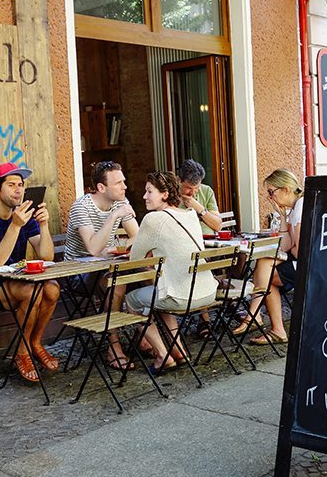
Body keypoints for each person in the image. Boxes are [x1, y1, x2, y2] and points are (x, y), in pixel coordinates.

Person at [0, 162, 59, 382]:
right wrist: (15, 226)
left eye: (21, 185)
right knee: (31, 292)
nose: (18, 190)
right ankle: (22, 352)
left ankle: (35, 342)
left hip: (17, 280)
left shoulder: (23, 214)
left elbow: (46, 257)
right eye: (11, 185)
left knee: (53, 289)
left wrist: (43, 225)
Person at [127, 171, 217, 374]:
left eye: (149, 191)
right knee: (160, 294)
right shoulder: (190, 214)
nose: (144, 196)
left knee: (130, 303)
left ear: (165, 194)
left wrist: (137, 243)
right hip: (206, 291)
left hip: (181, 297)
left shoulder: (153, 219)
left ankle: (162, 355)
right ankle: (179, 351)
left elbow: (134, 259)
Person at [65, 160, 139, 369]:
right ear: (101, 187)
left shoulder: (119, 201)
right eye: (118, 183)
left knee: (147, 273)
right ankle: (113, 346)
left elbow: (139, 238)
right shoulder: (82, 206)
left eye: (123, 181)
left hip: (105, 268)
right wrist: (115, 216)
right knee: (118, 282)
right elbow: (93, 249)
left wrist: (121, 246)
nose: (125, 187)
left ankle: (144, 335)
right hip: (78, 273)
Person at [232, 169, 303, 346]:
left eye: (272, 192)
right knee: (265, 264)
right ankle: (260, 319)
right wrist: (282, 216)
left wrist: (285, 253)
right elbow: (287, 246)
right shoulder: (294, 208)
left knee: (267, 270)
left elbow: (299, 250)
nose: (270, 197)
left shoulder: (301, 206)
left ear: (286, 189)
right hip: (300, 262)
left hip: (310, 266)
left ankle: (255, 316)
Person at [177, 159, 223, 233]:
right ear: (178, 180)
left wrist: (199, 208)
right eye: (189, 188)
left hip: (210, 240)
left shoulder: (206, 191)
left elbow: (218, 226)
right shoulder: (169, 194)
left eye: (197, 188)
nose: (193, 192)